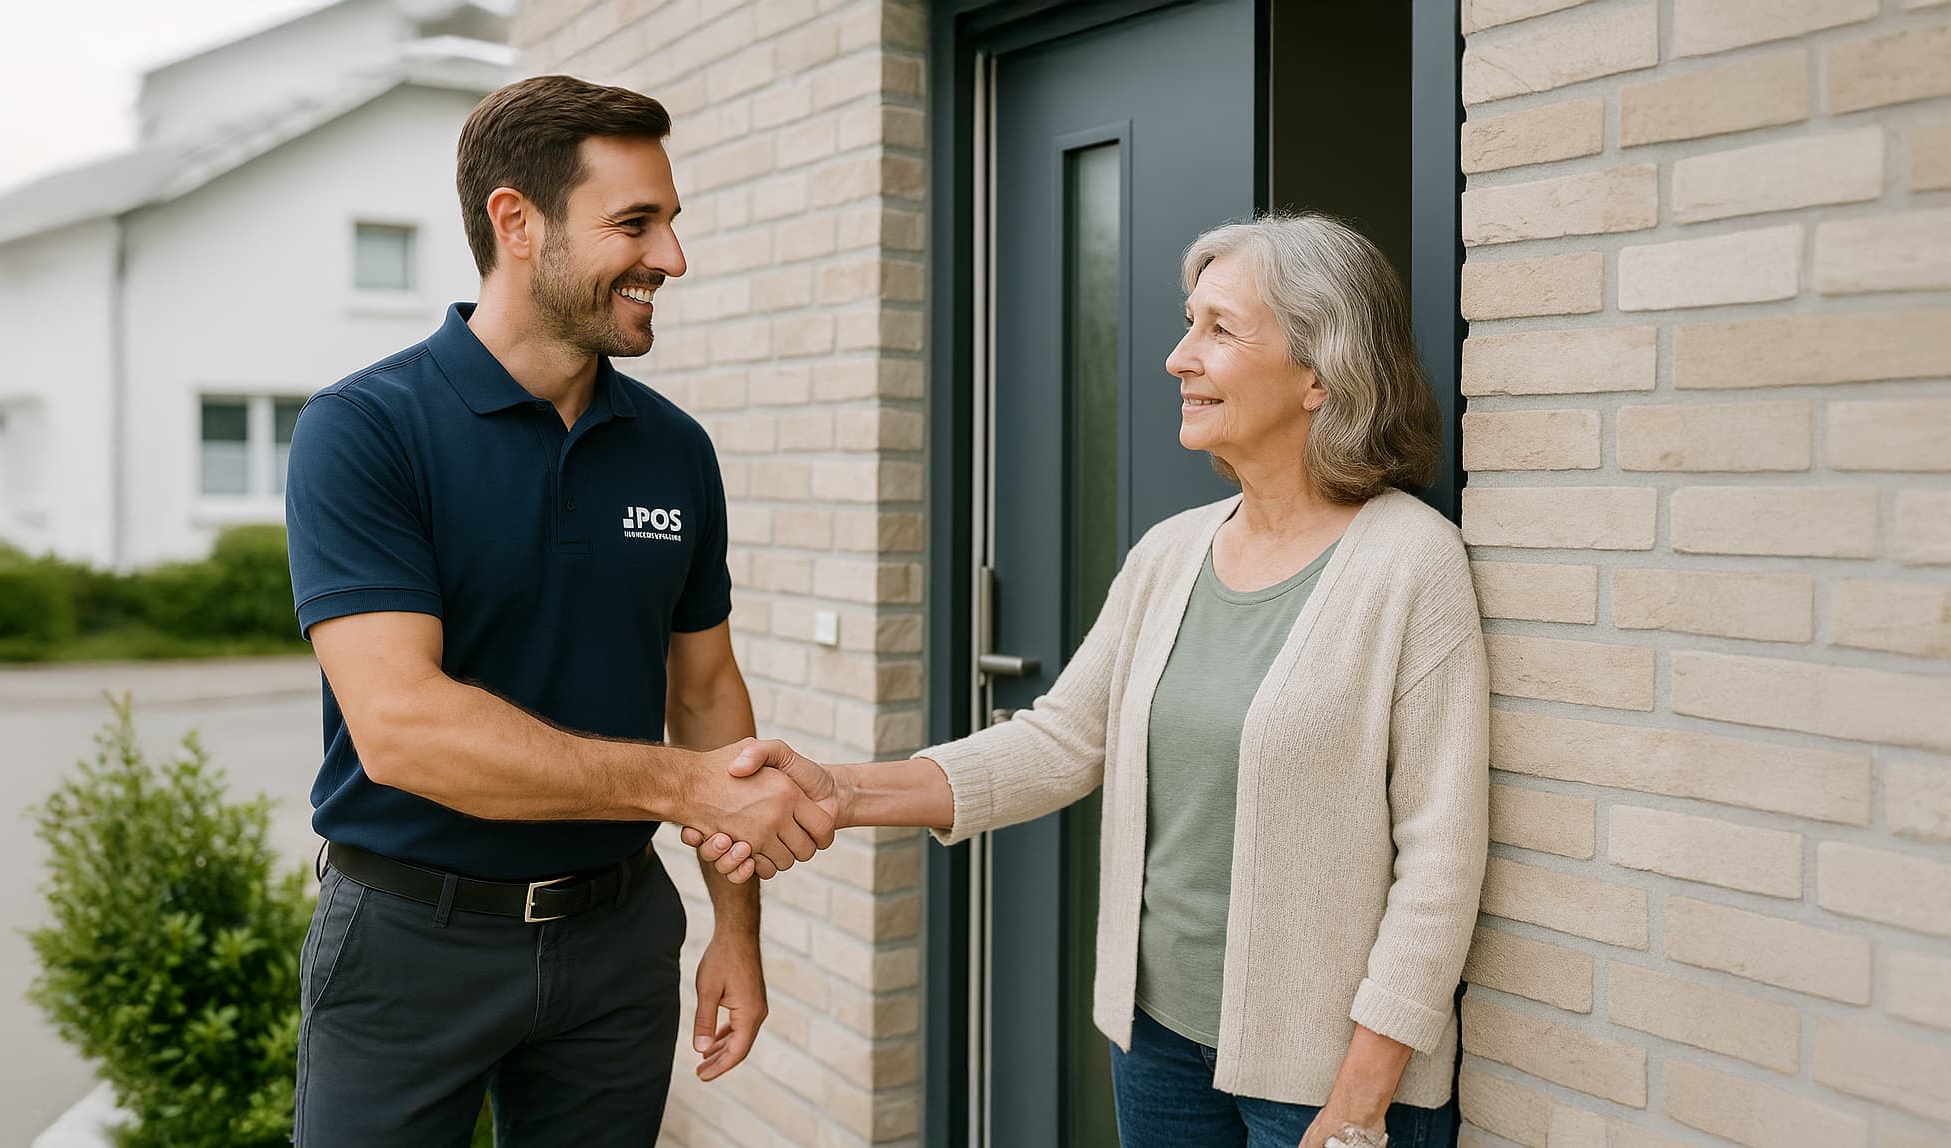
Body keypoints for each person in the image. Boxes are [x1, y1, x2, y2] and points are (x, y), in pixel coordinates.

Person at [692, 213, 1491, 1148]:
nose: (1177, 358)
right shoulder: (1170, 553)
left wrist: (1359, 1102)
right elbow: (1062, 739)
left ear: (1321, 372)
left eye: (1219, 330)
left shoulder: (1410, 564)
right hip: (1154, 1047)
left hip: (1326, 1079)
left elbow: (1441, 860)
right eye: (1188, 323)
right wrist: (844, 792)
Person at [283, 75, 830, 1147]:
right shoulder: (363, 431)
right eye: (635, 223)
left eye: (670, 221)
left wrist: (737, 926)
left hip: (616, 937)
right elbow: (401, 727)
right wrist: (685, 786)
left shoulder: (674, 448)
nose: (671, 257)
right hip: (410, 942)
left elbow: (705, 686)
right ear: (515, 222)